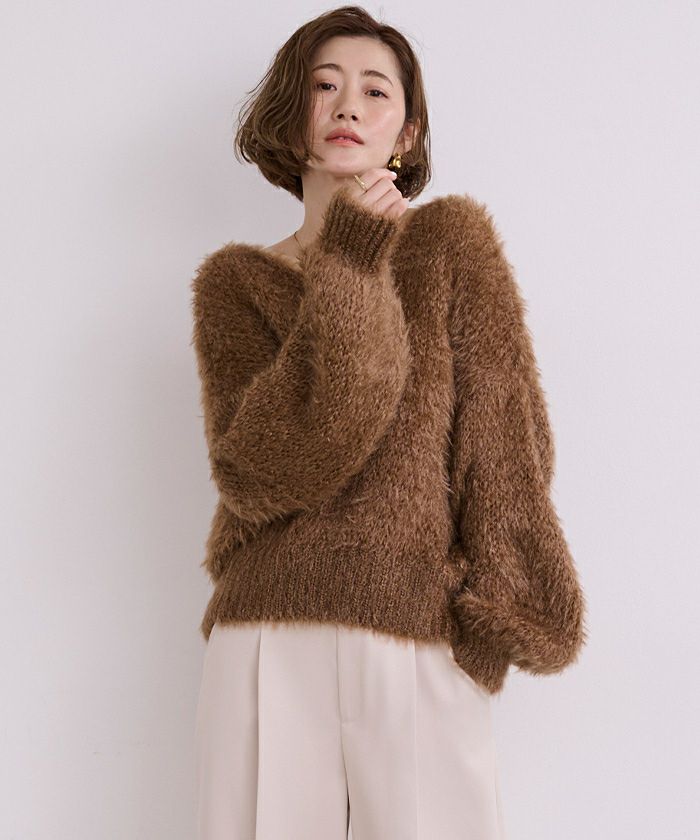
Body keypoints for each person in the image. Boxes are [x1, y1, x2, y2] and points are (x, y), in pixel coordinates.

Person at [190, 6, 587, 840]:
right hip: (267, 637)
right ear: (289, 115)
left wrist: (487, 624)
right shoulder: (236, 282)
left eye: (376, 91)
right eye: (323, 86)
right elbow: (265, 468)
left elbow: (504, 444)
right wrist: (348, 259)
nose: (347, 105)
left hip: (416, 638)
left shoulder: (450, 245)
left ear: (405, 134)